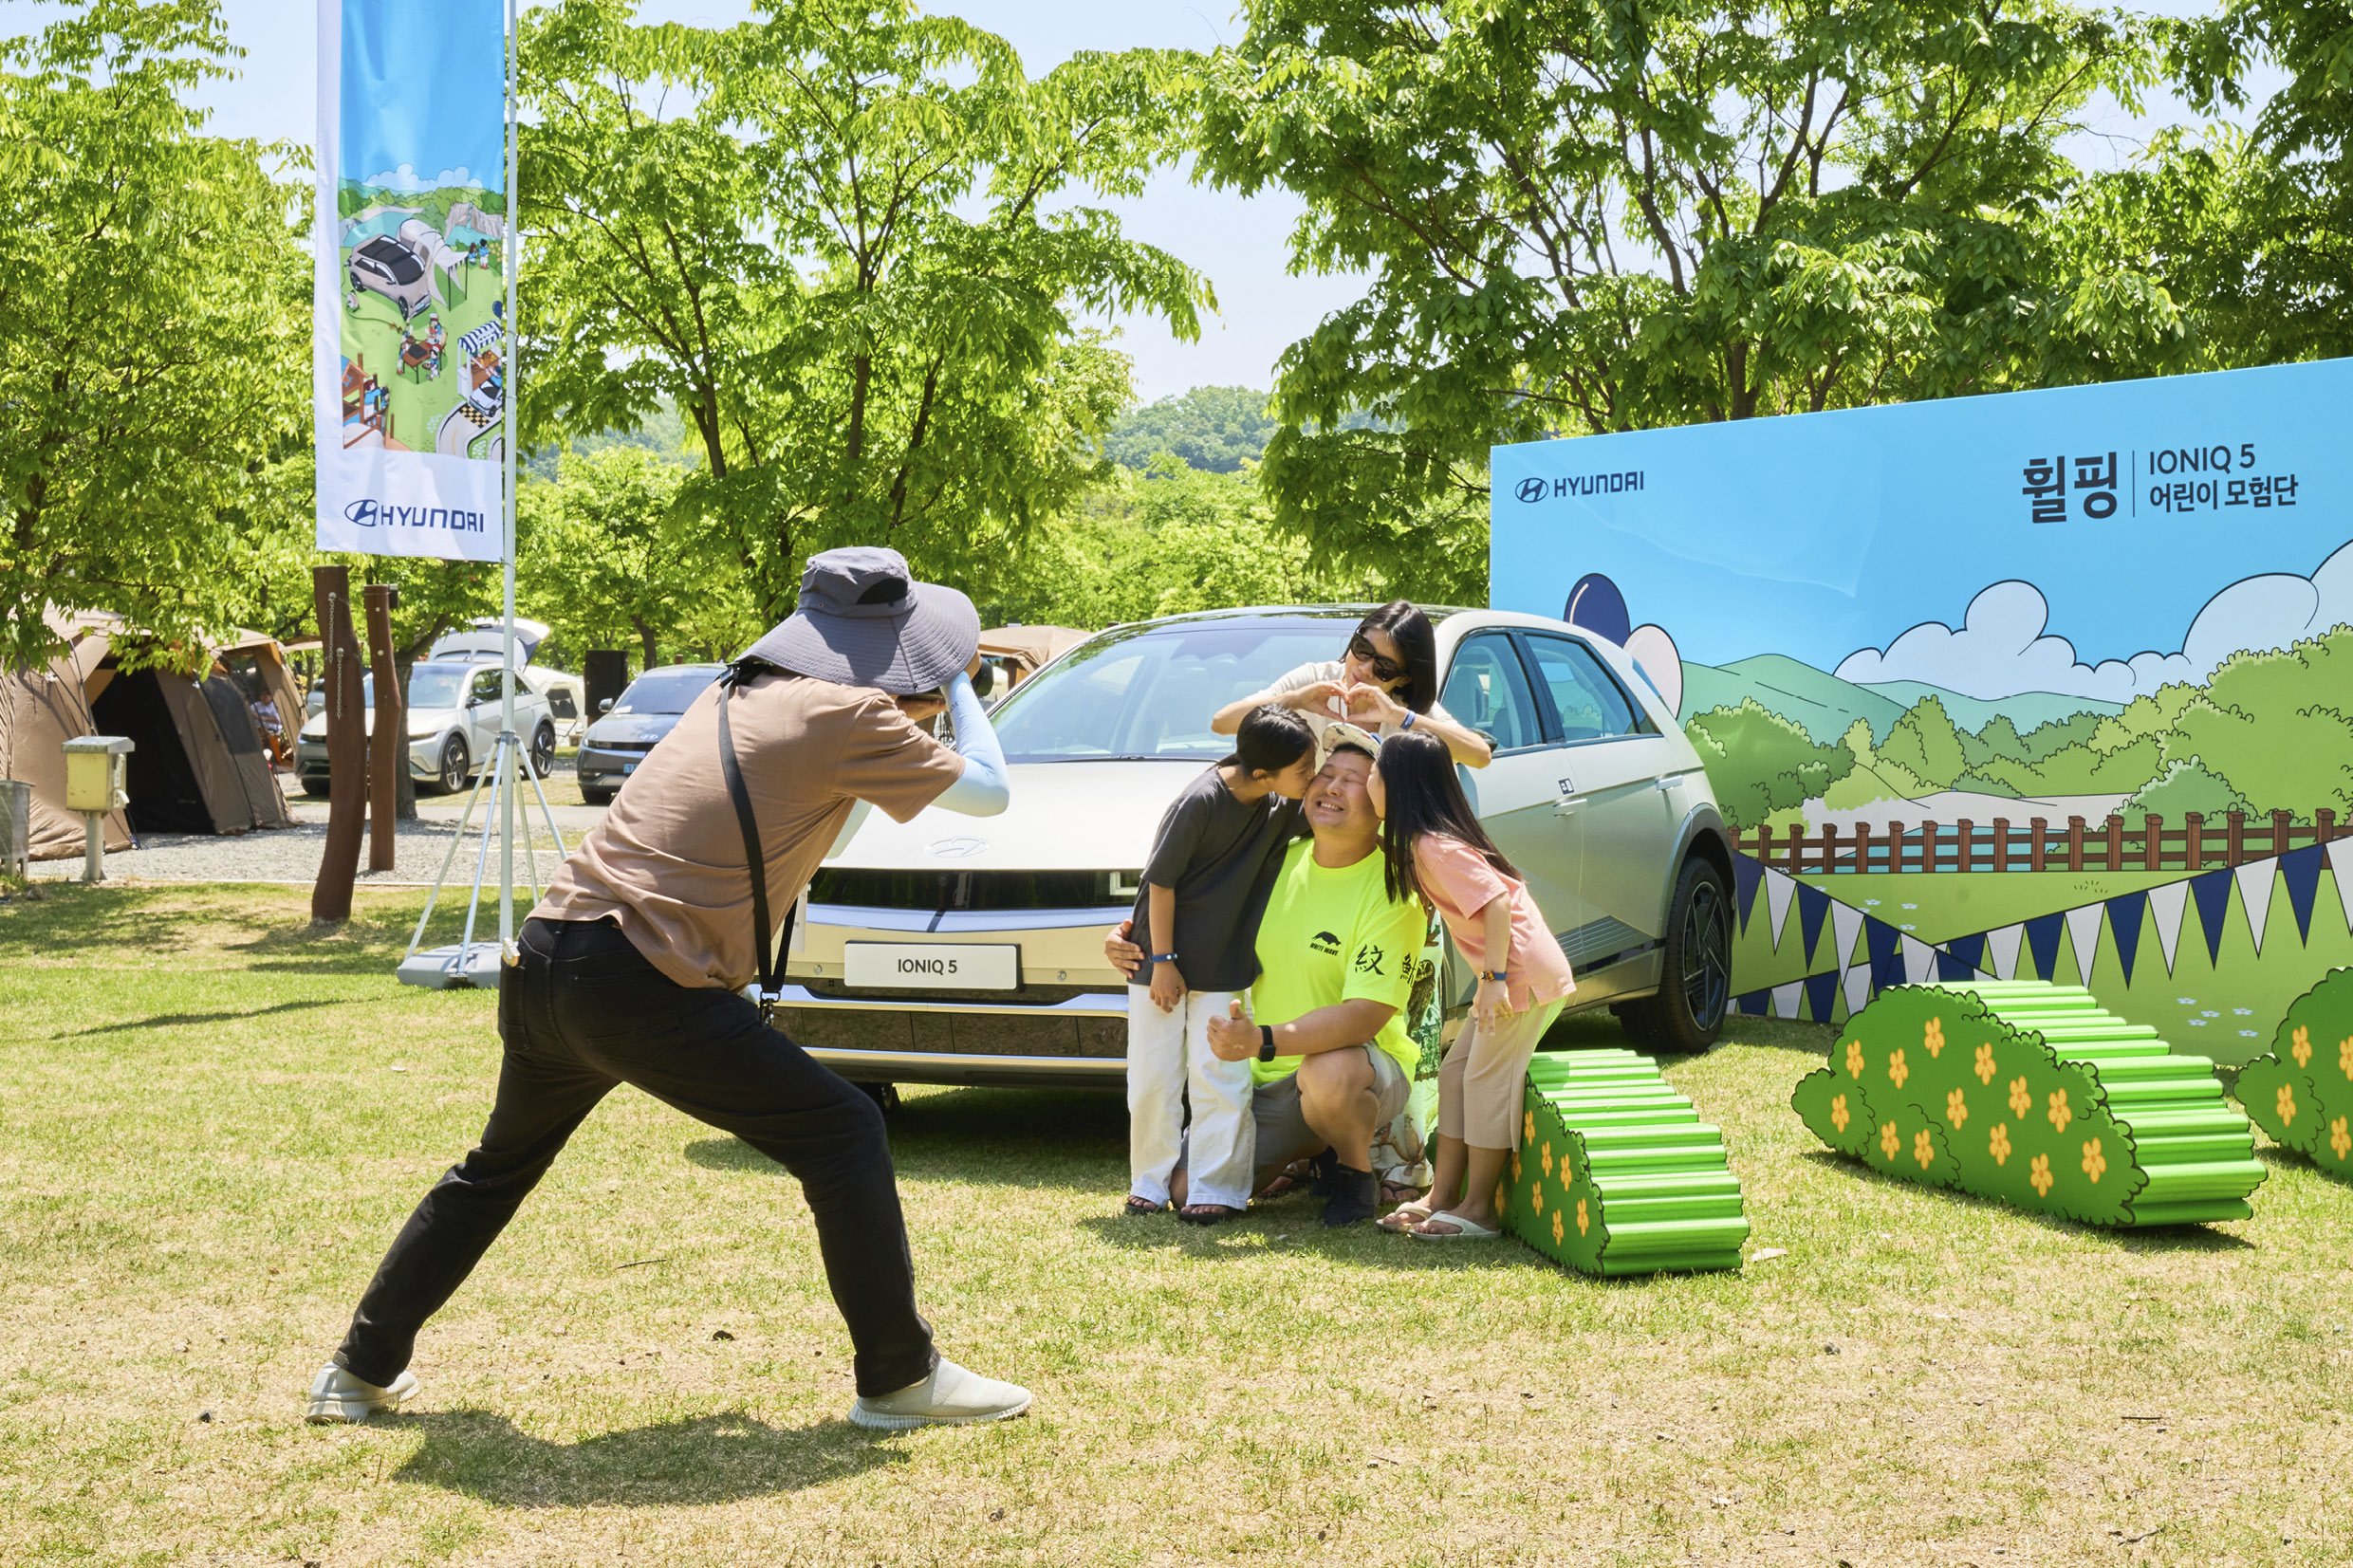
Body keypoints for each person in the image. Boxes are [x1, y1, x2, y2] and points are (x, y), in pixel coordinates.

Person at [305, 546, 1034, 1431]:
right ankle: (899, 1376)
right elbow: (992, 793)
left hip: (547, 956)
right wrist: (960, 684)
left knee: (493, 1172)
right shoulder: (848, 714)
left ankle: (357, 1370)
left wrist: (912, 707)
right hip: (636, 982)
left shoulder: (735, 692)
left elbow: (797, 833)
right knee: (846, 1130)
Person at [1106, 730, 1426, 1227]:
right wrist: (1133, 938)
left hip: (1347, 1065)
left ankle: (1352, 1169)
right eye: (1326, 773)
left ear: (1384, 802)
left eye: (1353, 781)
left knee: (1330, 1074)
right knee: (1185, 1189)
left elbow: (1364, 1018)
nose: (1332, 787)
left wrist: (1263, 1040)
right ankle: (1311, 1148)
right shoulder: (1277, 857)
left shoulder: (1393, 893)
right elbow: (1193, 896)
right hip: (1255, 1072)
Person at [1366, 729, 1575, 1240]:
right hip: (1512, 970)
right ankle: (1444, 1195)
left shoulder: (1434, 845)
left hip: (1519, 974)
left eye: (1374, 772)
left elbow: (1497, 904)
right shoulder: (1421, 844)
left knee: (1484, 1081)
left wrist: (1493, 980)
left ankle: (1480, 1208)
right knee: (1458, 1074)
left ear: (1400, 785)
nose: (1368, 781)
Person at [1126, 704, 1317, 1226]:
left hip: (1225, 962)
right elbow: (1160, 883)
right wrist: (1163, 962)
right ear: (1262, 773)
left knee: (1221, 1076)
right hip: (1159, 961)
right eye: (1304, 769)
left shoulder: (1279, 803)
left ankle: (1220, 1188)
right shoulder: (1199, 802)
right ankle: (1148, 1180)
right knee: (1153, 1077)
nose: (1313, 777)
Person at [1210, 600, 1491, 769]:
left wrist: (1399, 717)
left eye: (1384, 666)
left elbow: (1479, 756)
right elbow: (1222, 722)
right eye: (1362, 648)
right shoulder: (1313, 680)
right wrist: (1291, 701)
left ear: (1405, 677)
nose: (1365, 667)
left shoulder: (1404, 710)